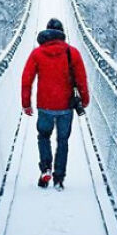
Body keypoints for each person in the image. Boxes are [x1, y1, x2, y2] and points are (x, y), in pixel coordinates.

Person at [21, 18, 90, 190]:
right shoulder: (72, 52)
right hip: (66, 106)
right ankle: (59, 178)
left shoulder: (37, 53)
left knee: (43, 136)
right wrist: (84, 99)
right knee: (63, 141)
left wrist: (26, 103)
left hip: (45, 105)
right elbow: (81, 79)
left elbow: (26, 80)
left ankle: (45, 169)